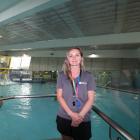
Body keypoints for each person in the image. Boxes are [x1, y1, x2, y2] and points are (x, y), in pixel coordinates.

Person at [56, 47, 96, 140]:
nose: (74, 58)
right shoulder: (62, 76)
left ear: (81, 58)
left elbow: (91, 99)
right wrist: (71, 114)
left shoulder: (88, 76)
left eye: (77, 55)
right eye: (71, 56)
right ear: (67, 59)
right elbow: (59, 96)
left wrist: (80, 116)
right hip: (64, 116)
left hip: (83, 118)